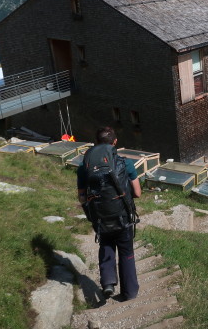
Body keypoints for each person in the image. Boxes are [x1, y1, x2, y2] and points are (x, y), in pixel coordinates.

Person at [77, 127, 141, 300]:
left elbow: (82, 196)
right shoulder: (125, 163)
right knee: (126, 251)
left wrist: (92, 210)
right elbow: (137, 193)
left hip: (100, 217)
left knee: (106, 245)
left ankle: (108, 283)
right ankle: (130, 292)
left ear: (96, 143)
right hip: (122, 216)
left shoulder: (84, 168)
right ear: (115, 143)